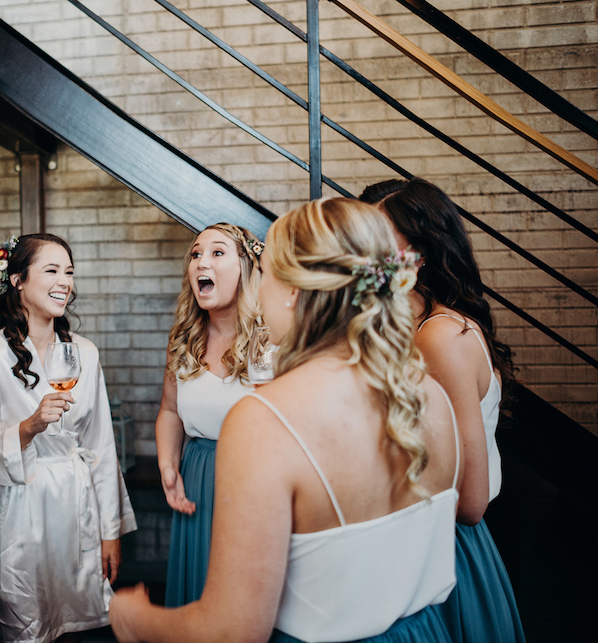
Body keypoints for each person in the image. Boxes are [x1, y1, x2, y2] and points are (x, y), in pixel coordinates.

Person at [110, 197, 462, 643]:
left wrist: (132, 616)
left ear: (292, 290)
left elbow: (231, 632)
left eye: (263, 272)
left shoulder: (263, 421)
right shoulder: (431, 397)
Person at [0, 233, 136, 643]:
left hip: (77, 510)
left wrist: (111, 530)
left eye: (70, 272)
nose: (66, 281)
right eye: (52, 270)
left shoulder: (84, 354)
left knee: (86, 624)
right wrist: (28, 428)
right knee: (26, 624)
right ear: (18, 280)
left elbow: (99, 446)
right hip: (19, 512)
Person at [379, 179, 525, 643]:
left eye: (376, 238)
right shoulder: (417, 330)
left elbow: (470, 501)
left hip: (444, 554)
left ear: (417, 254)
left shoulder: (439, 336)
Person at [156, 223, 261, 607]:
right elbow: (169, 410)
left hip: (255, 478)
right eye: (197, 254)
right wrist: (169, 467)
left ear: (246, 266)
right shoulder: (183, 339)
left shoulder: (272, 340)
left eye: (218, 252)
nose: (202, 261)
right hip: (198, 476)